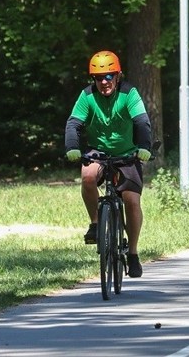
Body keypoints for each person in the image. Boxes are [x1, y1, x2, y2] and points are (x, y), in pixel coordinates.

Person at [64, 50, 153, 278]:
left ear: (118, 75)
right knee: (87, 175)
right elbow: (73, 123)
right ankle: (95, 224)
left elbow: (141, 121)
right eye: (98, 78)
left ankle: (132, 253)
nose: (104, 82)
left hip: (127, 153)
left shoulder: (129, 93)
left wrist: (144, 147)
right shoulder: (87, 96)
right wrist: (72, 148)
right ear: (92, 79)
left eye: (109, 76)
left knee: (132, 201)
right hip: (98, 152)